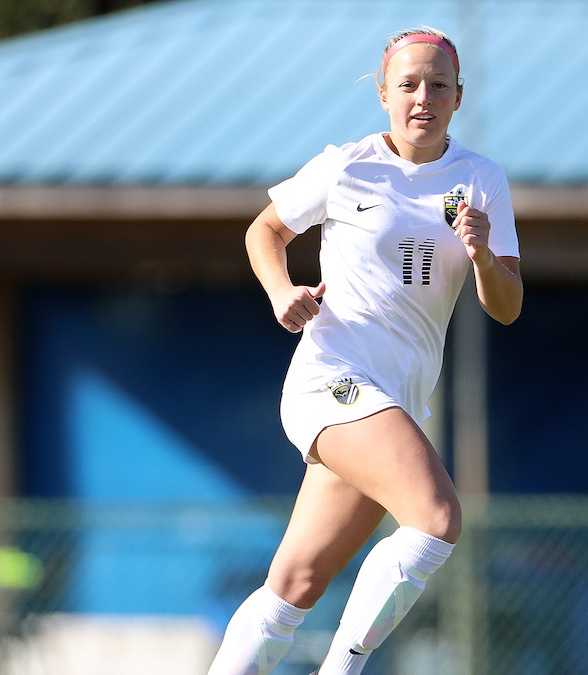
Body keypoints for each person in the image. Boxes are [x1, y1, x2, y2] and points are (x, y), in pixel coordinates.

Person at [208, 26, 522, 675]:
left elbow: (507, 304)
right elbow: (264, 230)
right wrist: (280, 291)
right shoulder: (346, 163)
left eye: (438, 85)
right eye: (408, 84)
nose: (422, 98)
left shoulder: (481, 180)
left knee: (293, 585)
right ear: (383, 92)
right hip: (333, 380)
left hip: (392, 402)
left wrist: (484, 256)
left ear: (459, 98)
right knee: (436, 516)